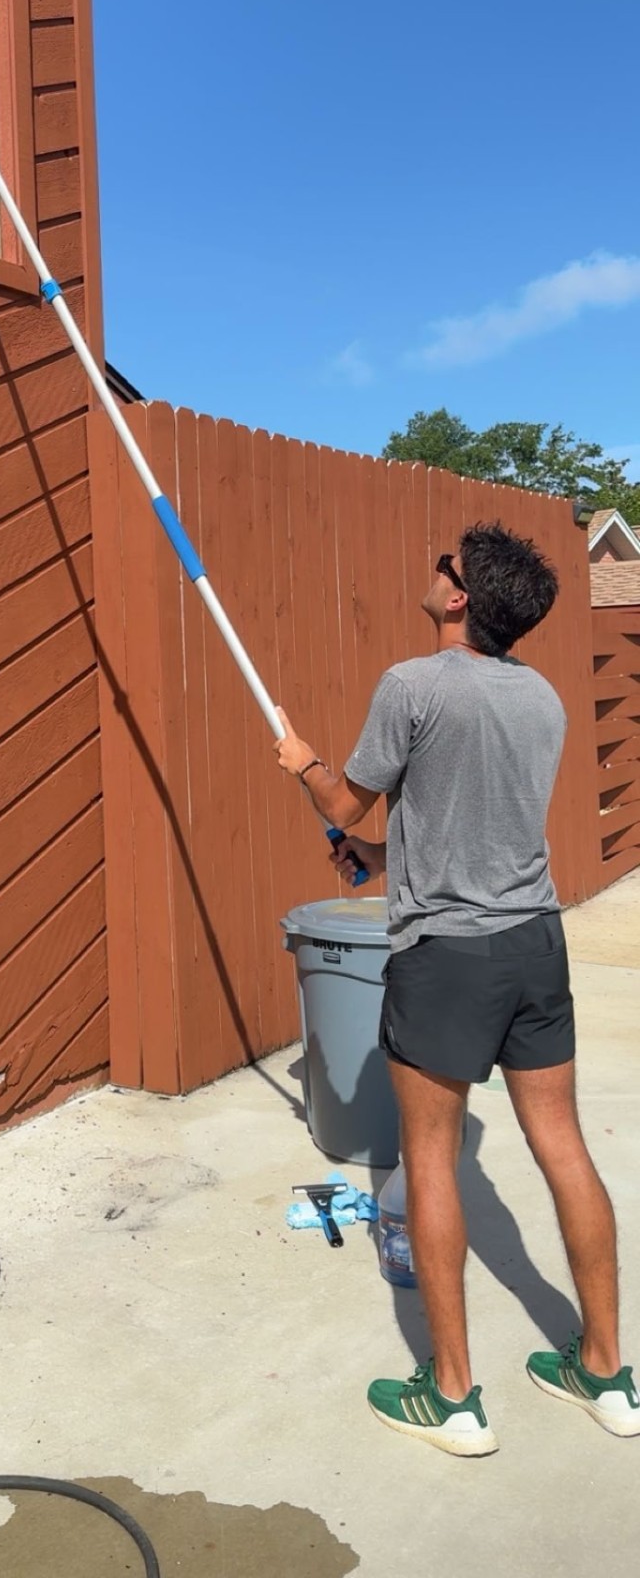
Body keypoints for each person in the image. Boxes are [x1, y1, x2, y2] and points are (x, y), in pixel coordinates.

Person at [273, 521, 639, 1457]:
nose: (430, 570)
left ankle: (453, 1397)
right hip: (534, 944)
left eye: (443, 565)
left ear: (460, 597)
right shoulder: (544, 700)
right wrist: (383, 855)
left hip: (446, 958)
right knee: (564, 1147)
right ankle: (606, 1372)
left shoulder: (413, 684)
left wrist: (304, 766)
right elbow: (465, 818)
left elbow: (344, 802)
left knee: (428, 1163)